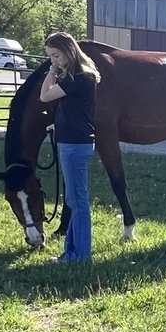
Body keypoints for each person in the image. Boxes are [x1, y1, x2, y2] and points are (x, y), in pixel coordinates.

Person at [39, 32, 100, 263]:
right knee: (74, 201)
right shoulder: (78, 76)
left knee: (79, 202)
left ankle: (80, 255)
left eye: (55, 55)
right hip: (73, 142)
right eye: (50, 57)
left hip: (75, 145)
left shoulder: (78, 77)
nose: (53, 60)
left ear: (68, 51)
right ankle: (72, 252)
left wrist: (52, 72)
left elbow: (45, 95)